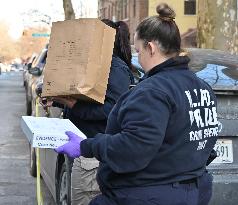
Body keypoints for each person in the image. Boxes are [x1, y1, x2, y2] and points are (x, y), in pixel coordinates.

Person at [55, 3, 219, 205]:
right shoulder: (202, 87)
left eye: (139, 50)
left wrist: (86, 146)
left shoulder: (153, 91)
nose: (138, 58)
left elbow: (133, 147)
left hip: (147, 195)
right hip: (189, 191)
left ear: (151, 48)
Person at [44, 19, 134, 205]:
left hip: (94, 158)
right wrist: (58, 101)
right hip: (84, 151)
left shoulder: (115, 68)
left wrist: (73, 105)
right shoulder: (96, 66)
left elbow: (112, 111)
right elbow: (89, 101)